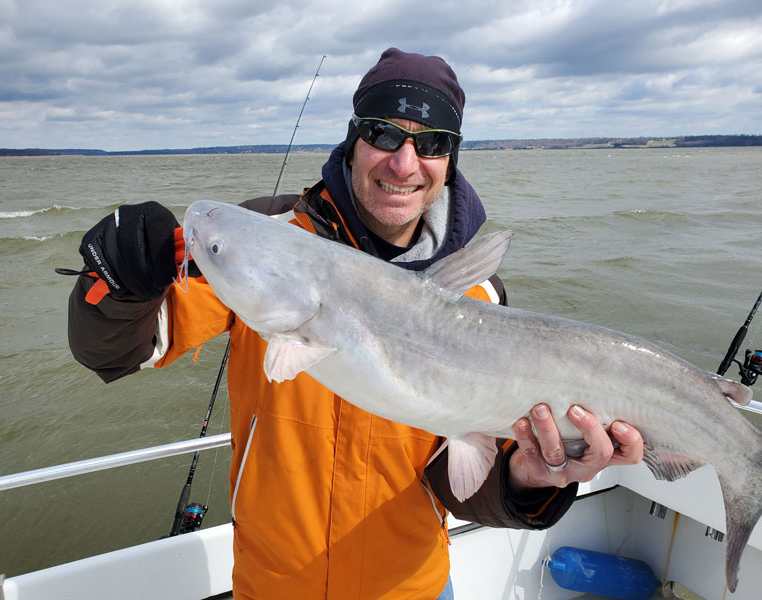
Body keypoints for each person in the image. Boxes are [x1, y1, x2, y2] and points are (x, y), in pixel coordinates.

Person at [65, 48, 643, 599]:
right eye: (384, 133)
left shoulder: (476, 293)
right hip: (273, 588)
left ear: (450, 158)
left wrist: (531, 477)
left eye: (432, 143)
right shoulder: (268, 239)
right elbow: (119, 349)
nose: (404, 162)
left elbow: (461, 481)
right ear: (353, 138)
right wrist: (117, 281)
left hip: (414, 589)